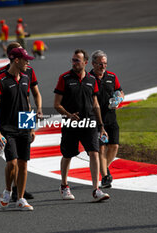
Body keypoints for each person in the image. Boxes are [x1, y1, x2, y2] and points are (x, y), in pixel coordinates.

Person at [54, 49, 110, 202]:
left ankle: (96, 189)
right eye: (73, 60)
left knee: (94, 152)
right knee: (68, 155)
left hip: (89, 122)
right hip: (70, 123)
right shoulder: (64, 78)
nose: (74, 63)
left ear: (85, 63)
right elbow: (56, 104)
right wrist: (68, 115)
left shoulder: (92, 80)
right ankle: (64, 186)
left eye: (77, 60)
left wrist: (101, 125)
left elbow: (96, 104)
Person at [0, 42, 42, 202]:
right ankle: (10, 190)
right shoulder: (0, 76)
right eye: (24, 57)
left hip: (24, 123)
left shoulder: (28, 74)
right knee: (12, 162)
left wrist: (32, 125)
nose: (28, 62)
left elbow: (28, 99)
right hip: (7, 124)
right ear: (14, 58)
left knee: (22, 163)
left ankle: (19, 193)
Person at [89, 50, 124, 188]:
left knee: (114, 146)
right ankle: (105, 176)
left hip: (111, 118)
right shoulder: (88, 78)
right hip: (96, 120)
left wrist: (119, 99)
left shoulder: (112, 76)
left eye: (105, 63)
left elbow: (120, 91)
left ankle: (104, 167)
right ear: (93, 64)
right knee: (101, 149)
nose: (103, 66)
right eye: (100, 64)